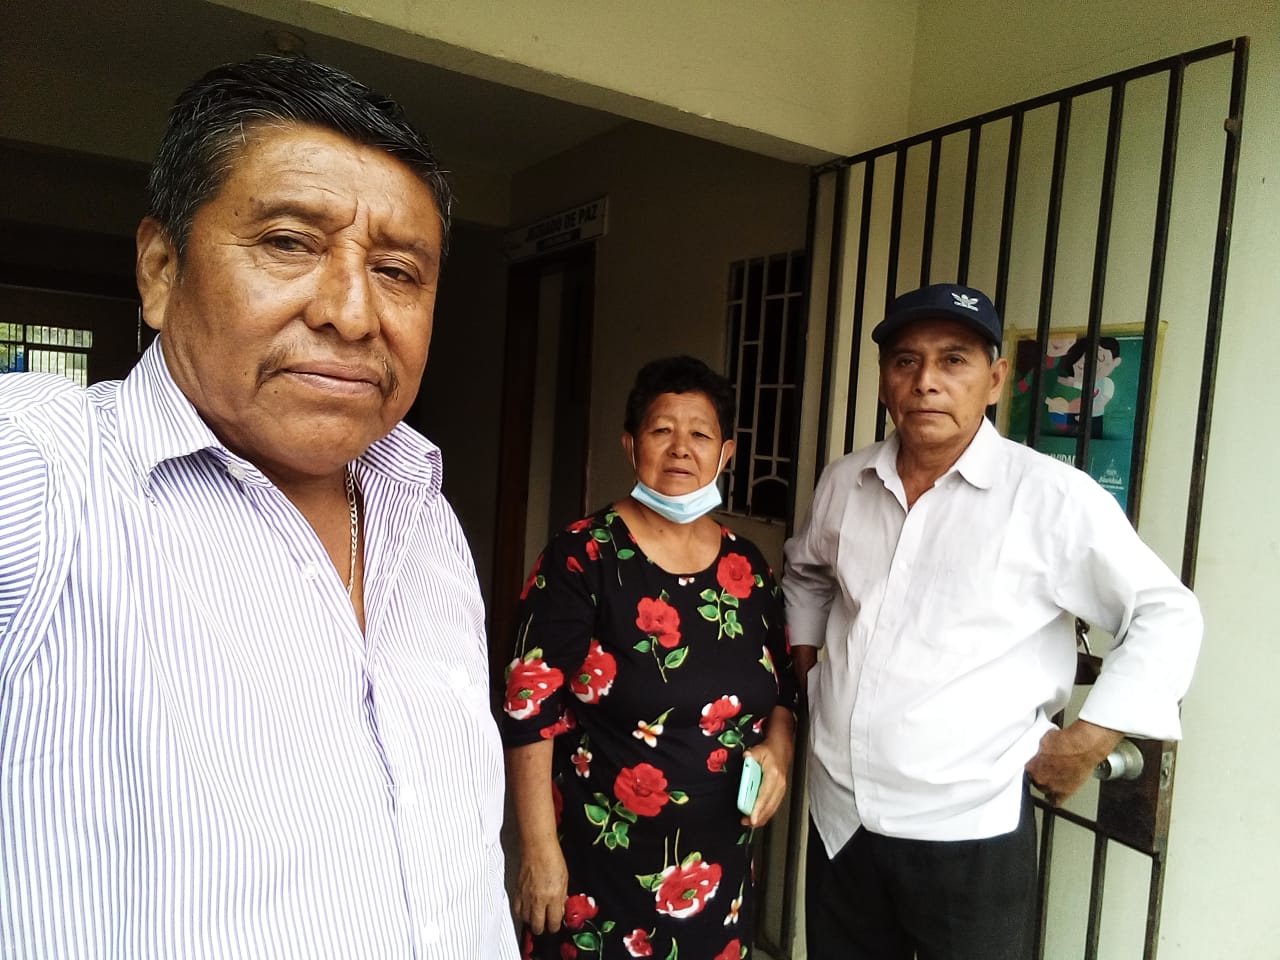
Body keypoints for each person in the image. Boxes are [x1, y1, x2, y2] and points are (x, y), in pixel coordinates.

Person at [0, 56, 518, 959]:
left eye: (398, 271)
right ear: (161, 269)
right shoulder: (48, 476)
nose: (353, 314)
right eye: (288, 243)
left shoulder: (425, 519)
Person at [783, 283, 1201, 960]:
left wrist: (1090, 739)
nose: (927, 381)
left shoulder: (1049, 497)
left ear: (996, 379)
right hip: (841, 817)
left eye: (954, 360)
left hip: (967, 828)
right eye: (906, 361)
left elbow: (1165, 612)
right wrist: (807, 667)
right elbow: (806, 572)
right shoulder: (845, 482)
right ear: (885, 380)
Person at [502, 356, 796, 960]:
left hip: (717, 878)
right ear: (631, 445)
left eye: (701, 434)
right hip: (599, 871)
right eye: (662, 430)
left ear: (726, 454)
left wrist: (779, 751)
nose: (681, 448)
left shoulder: (748, 568)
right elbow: (529, 705)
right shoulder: (584, 556)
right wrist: (538, 849)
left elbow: (785, 688)